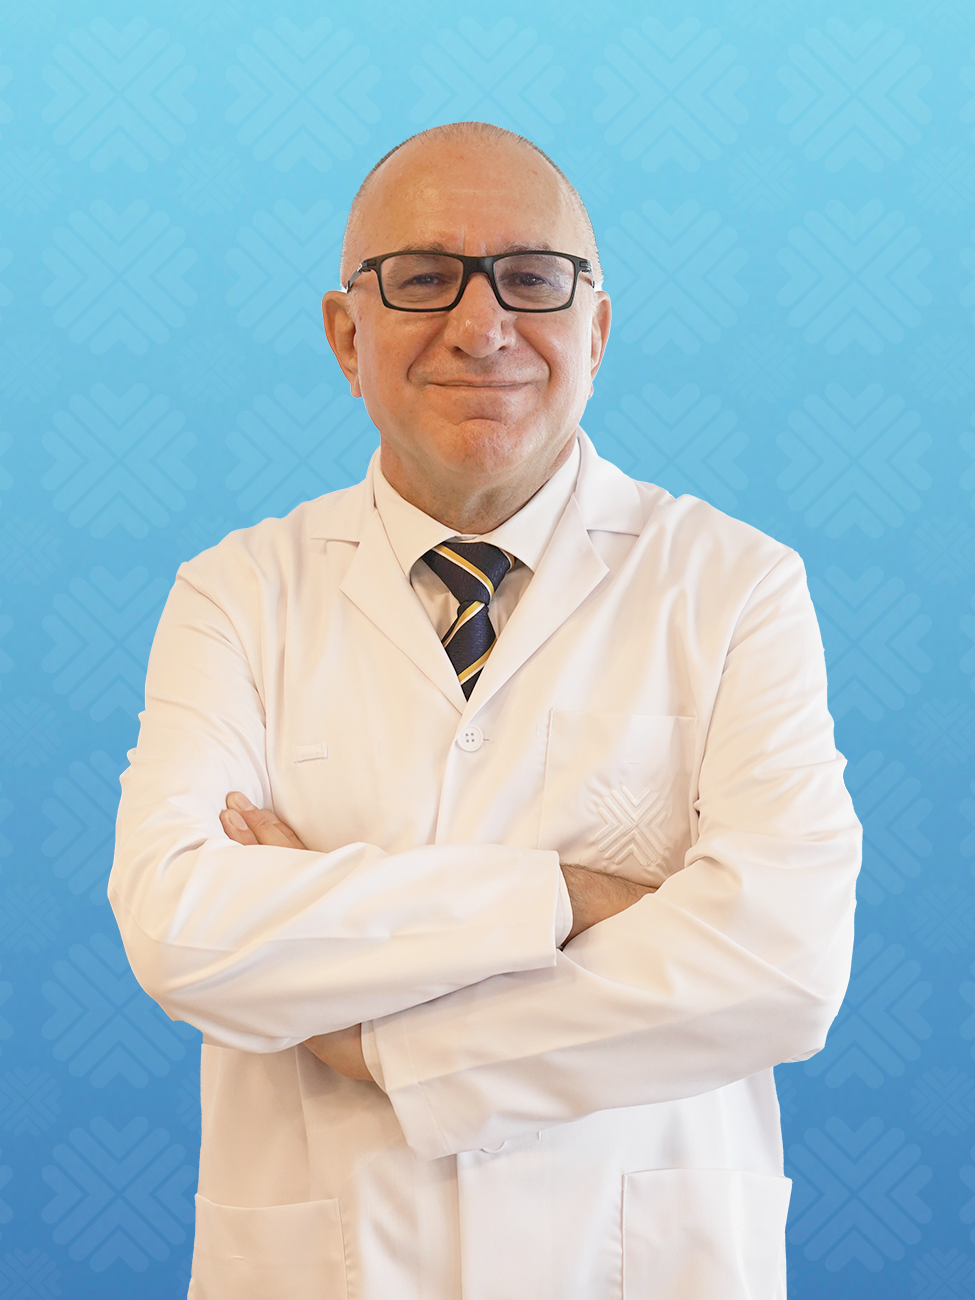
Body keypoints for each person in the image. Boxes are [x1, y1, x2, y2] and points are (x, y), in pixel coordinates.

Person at [109, 120, 861, 1300]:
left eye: (531, 277)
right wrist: (558, 898)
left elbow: (784, 964)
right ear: (346, 335)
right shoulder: (237, 594)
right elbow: (178, 925)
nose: (481, 325)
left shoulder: (735, 585)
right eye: (423, 278)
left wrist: (382, 1043)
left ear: (594, 329)